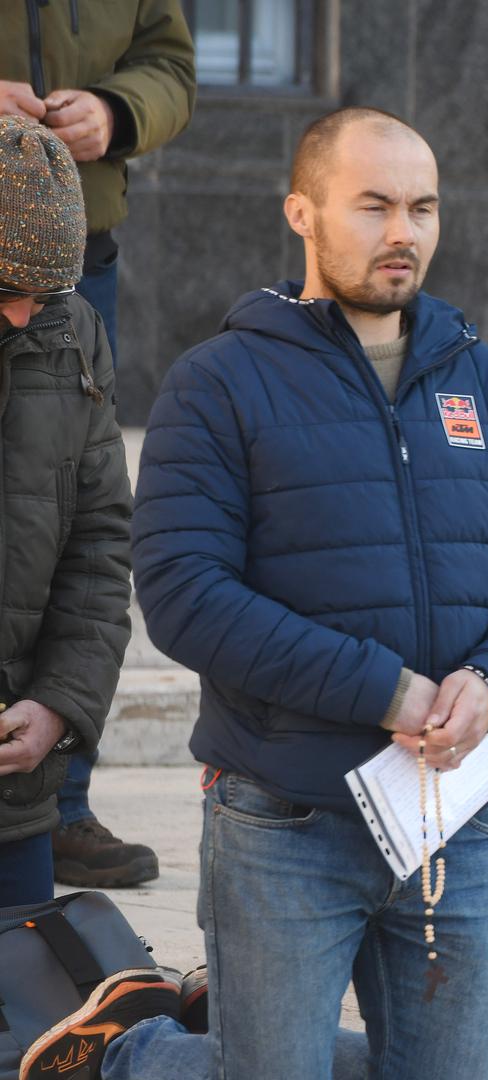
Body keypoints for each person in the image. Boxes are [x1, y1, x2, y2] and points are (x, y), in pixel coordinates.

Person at [40, 106, 488, 1080]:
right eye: (373, 205)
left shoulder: (486, 381)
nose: (403, 232)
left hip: (452, 820)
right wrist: (387, 691)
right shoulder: (221, 382)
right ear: (302, 211)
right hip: (283, 816)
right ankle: (134, 1056)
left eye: (422, 207)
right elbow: (183, 593)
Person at [1, 0, 196, 890]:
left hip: (77, 239)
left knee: (58, 502)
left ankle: (52, 796)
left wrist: (118, 113)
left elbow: (170, 65)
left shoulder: (65, 319)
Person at [0, 115, 131, 909]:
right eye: (4, 291)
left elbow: (99, 544)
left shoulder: (75, 331)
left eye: (42, 294)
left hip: (18, 792)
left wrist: (58, 705)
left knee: (35, 1022)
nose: (24, 316)